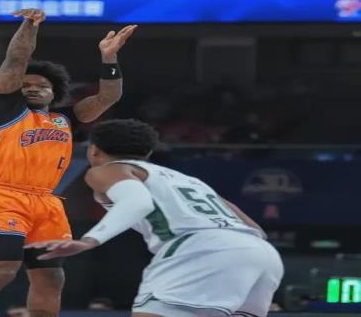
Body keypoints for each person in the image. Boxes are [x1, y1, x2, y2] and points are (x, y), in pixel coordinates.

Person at [0, 8, 136, 317]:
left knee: (52, 278)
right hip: (2, 196)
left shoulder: (65, 118)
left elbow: (108, 97)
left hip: (46, 202)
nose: (34, 87)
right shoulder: (2, 110)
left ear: (54, 93)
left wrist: (109, 59)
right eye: (26, 84)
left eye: (42, 85)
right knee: (1, 271)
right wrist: (30, 25)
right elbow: (16, 60)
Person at [31, 119, 284, 317]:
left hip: (200, 248)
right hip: (260, 253)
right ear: (149, 152)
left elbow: (137, 202)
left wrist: (89, 240)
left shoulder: (107, 170)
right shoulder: (188, 180)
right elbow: (255, 229)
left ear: (94, 151)